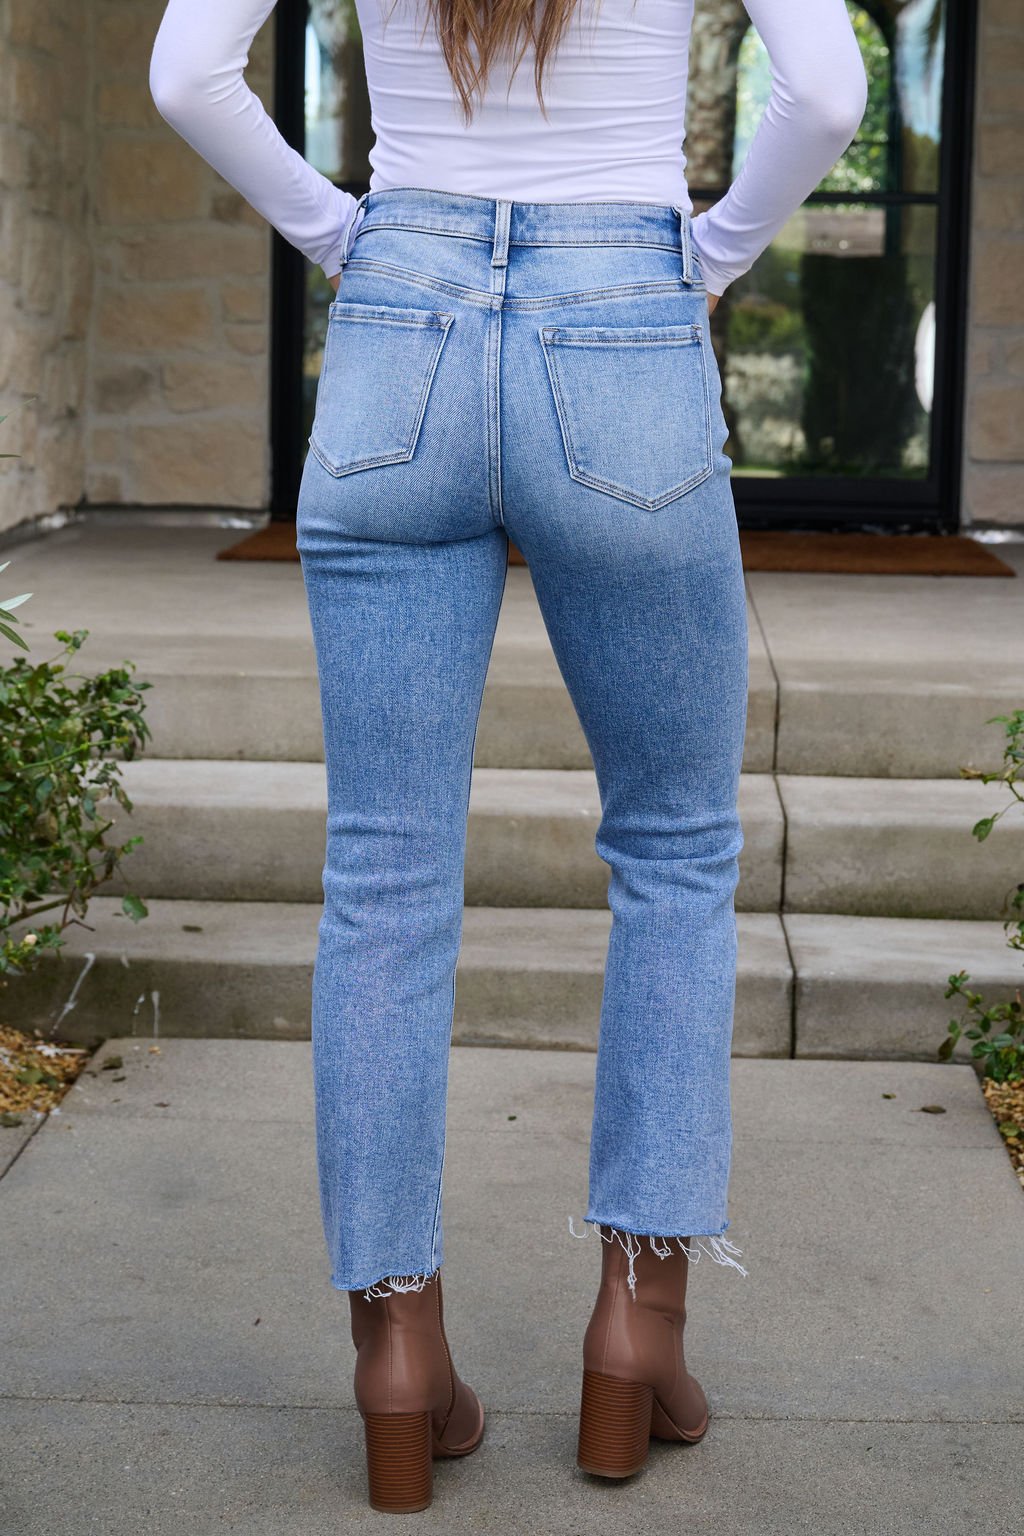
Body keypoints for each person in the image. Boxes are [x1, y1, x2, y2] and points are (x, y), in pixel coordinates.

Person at [150, 0, 867, 1512]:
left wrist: (349, 238)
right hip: (622, 318)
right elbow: (825, 93)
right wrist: (713, 255)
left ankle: (398, 1361)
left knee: (386, 874)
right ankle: (637, 1335)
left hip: (399, 320)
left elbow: (186, 75)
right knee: (673, 849)